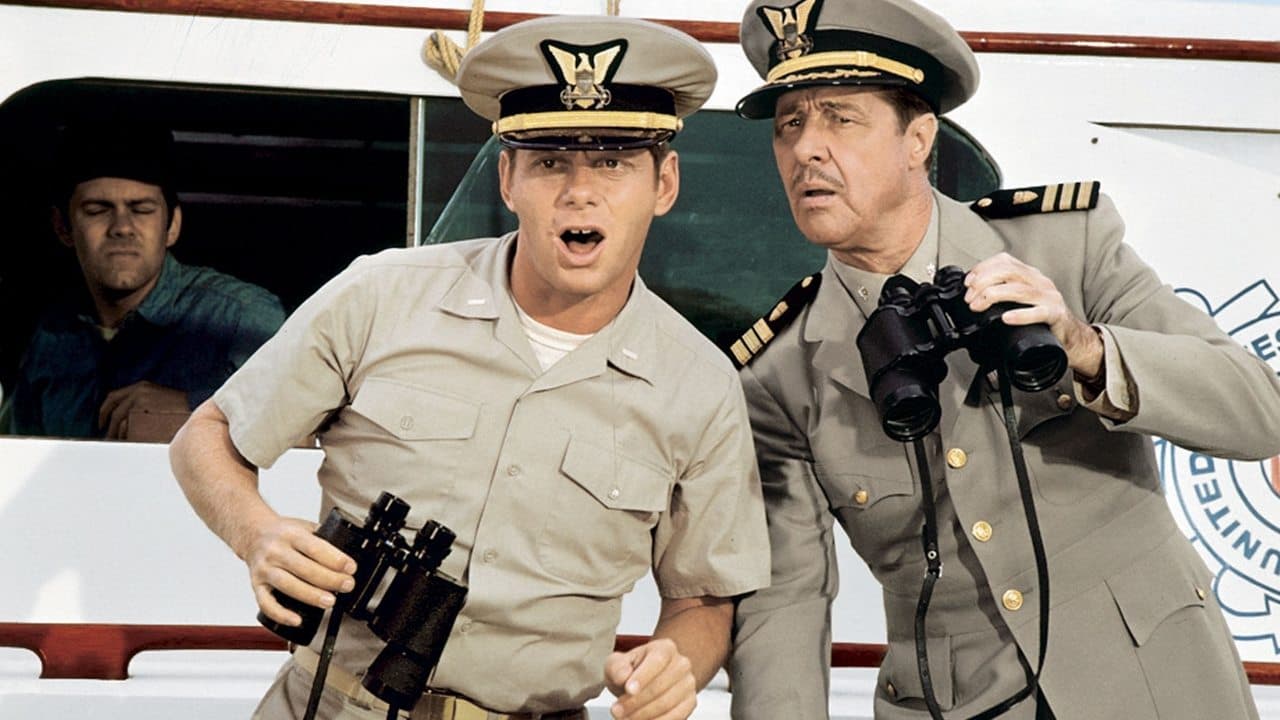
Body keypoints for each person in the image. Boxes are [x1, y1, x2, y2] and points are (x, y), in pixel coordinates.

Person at [169, 15, 769, 720]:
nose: (580, 192)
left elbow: (703, 599)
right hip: (330, 704)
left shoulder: (699, 386)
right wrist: (259, 534)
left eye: (614, 162)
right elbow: (208, 436)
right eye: (549, 162)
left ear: (664, 183)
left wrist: (676, 666)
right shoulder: (382, 294)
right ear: (508, 178)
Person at [724, 1, 1280, 719]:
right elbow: (785, 608)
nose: (807, 149)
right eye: (789, 124)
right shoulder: (780, 375)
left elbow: (1260, 411)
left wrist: (1083, 347)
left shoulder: (1064, 249)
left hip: (1154, 685)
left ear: (918, 138)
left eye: (841, 118)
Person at [6, 121, 285, 439]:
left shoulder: (240, 318)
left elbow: (299, 429)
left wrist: (191, 410)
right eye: (97, 210)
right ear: (63, 227)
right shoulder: (52, 337)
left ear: (172, 225)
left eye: (141, 210)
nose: (122, 227)